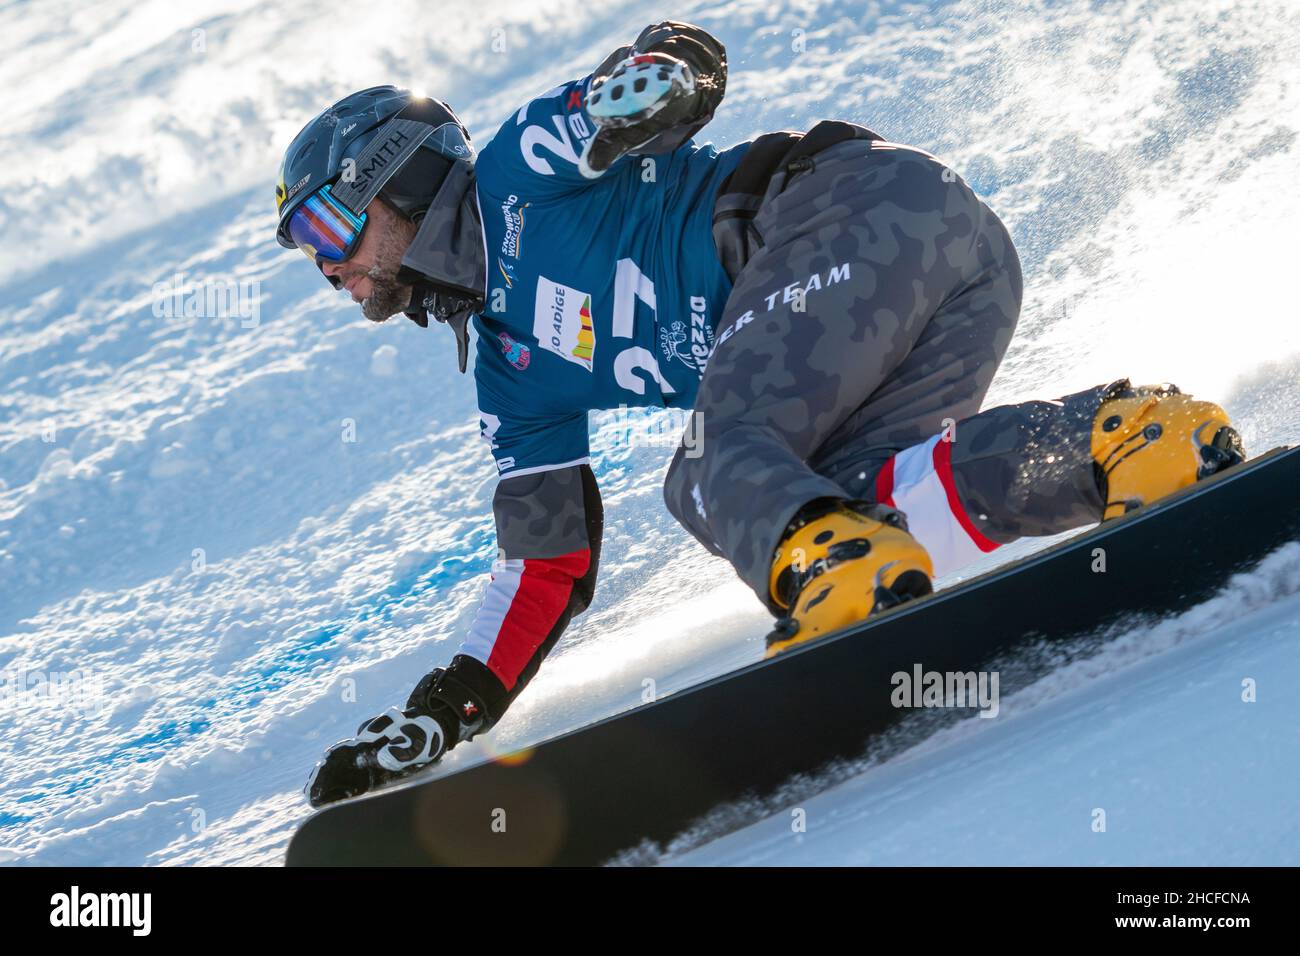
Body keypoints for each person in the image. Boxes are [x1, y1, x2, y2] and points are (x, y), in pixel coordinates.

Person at [274, 21, 1244, 806]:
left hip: (845, 213)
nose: (328, 268)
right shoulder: (508, 377)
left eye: (327, 225)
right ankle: (1125, 440)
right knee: (870, 499)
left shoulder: (515, 174)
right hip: (937, 271)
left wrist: (656, 77)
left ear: (395, 177)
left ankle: (839, 573)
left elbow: (656, 88)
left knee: (708, 459)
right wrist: (442, 710)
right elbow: (546, 564)